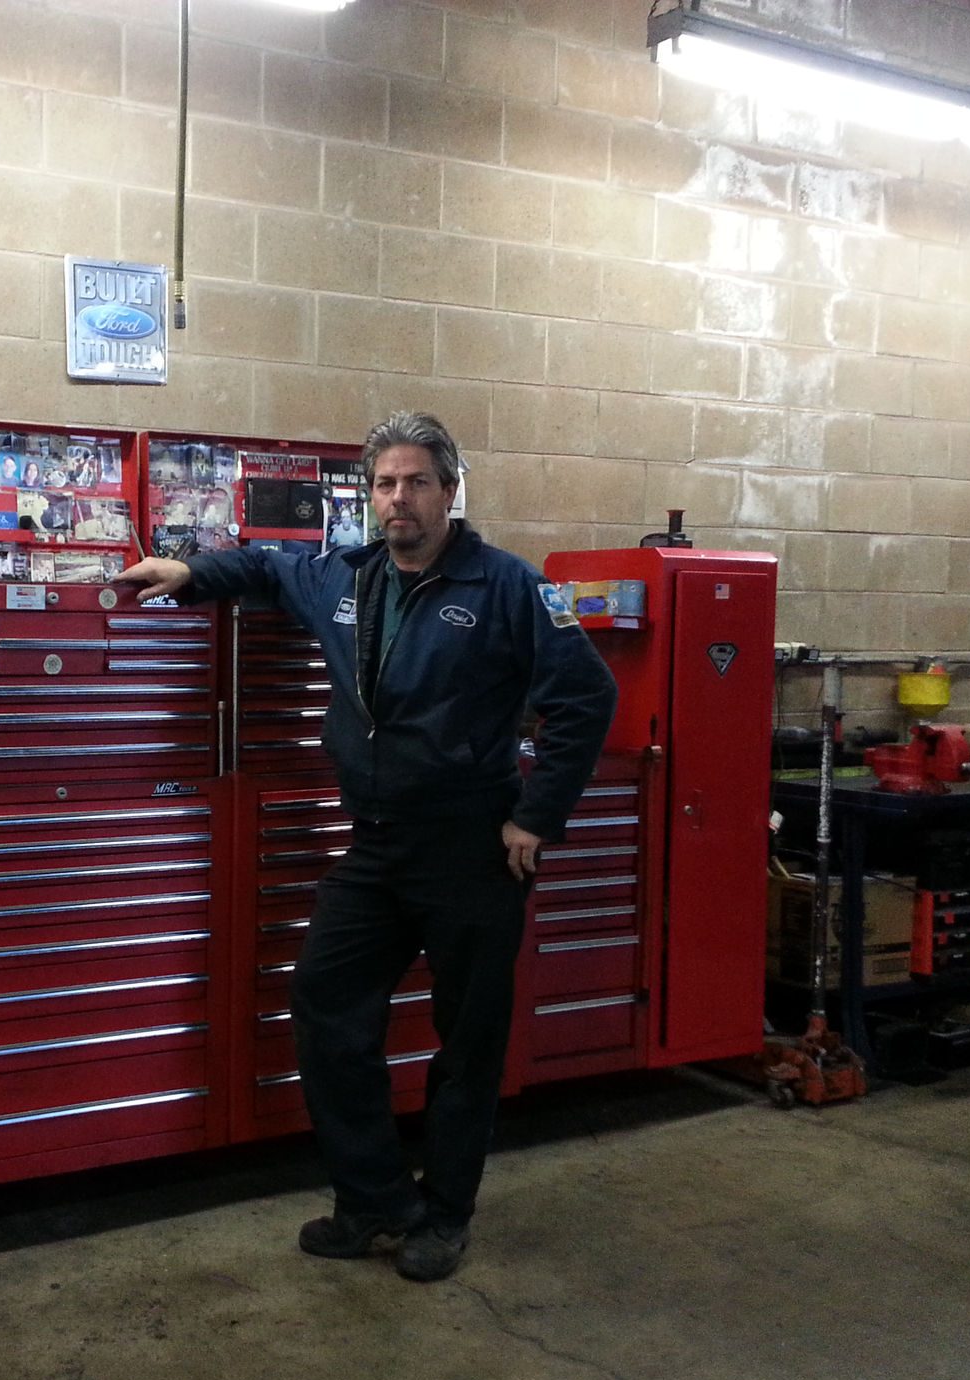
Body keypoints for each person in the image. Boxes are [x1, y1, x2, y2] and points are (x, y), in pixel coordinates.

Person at [116, 411, 616, 1282]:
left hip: (473, 849)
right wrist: (193, 571)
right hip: (376, 848)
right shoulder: (346, 577)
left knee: (468, 1041)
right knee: (324, 1003)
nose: (399, 499)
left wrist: (536, 816)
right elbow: (268, 568)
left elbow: (588, 697)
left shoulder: (511, 587)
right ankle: (375, 1200)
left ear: (450, 493)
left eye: (417, 482)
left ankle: (446, 1212)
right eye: (385, 484)